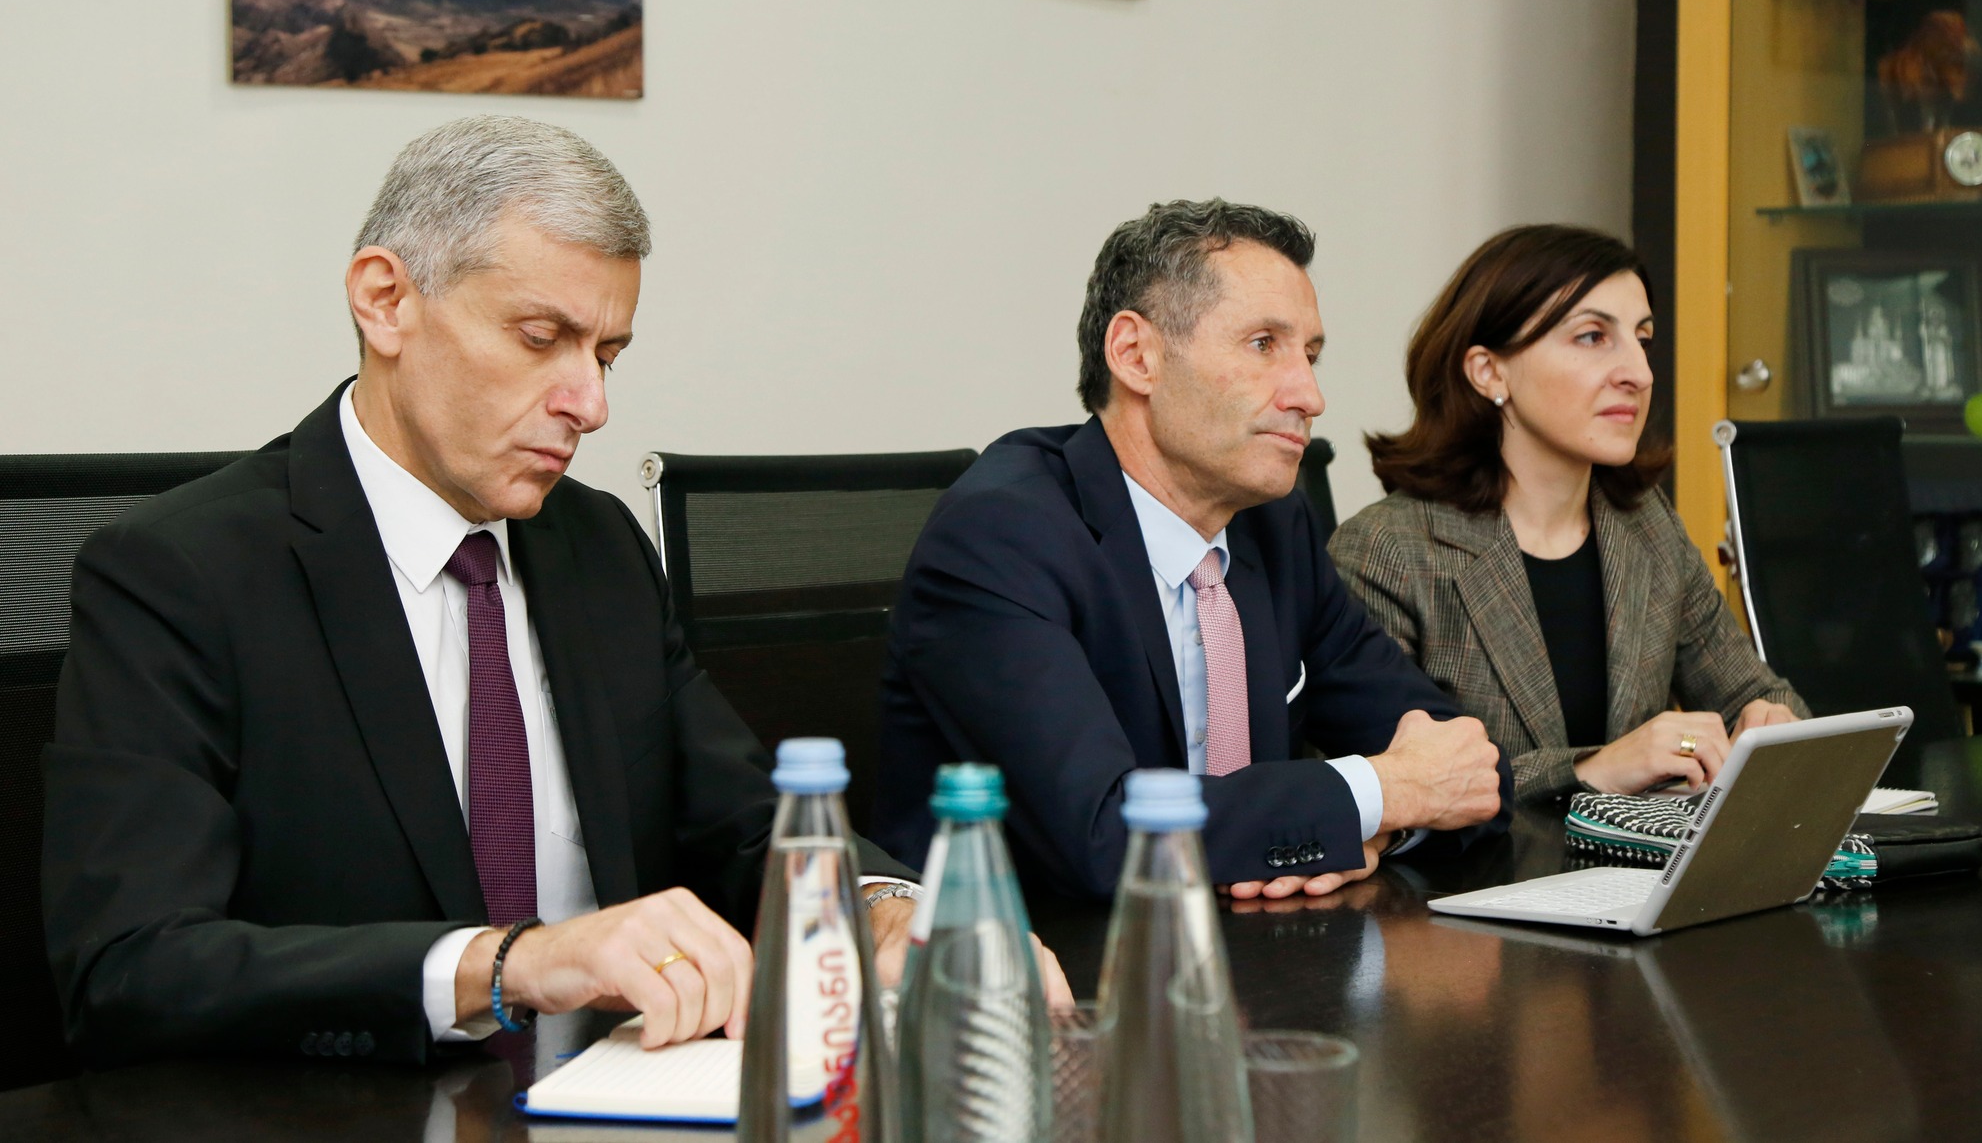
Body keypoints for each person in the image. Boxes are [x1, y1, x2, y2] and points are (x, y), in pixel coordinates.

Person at [40, 117, 1065, 1070]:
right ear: (385, 300)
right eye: (540, 339)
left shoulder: (596, 546)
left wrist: (888, 907)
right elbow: (131, 965)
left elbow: (748, 822)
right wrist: (512, 963)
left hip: (622, 1094)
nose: (592, 403)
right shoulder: (180, 573)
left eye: (606, 354)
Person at [875, 199, 1511, 903]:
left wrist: (1373, 825)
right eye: (1263, 344)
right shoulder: (1003, 533)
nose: (1310, 395)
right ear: (1136, 355)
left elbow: (1463, 763)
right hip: (1030, 952)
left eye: (1310, 355)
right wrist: (1375, 795)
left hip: (1255, 944)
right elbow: (1105, 839)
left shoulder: (1275, 525)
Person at [1327, 225, 1808, 805]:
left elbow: (1760, 698)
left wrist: (1771, 722)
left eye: (1642, 339)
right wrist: (1594, 768)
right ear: (1489, 371)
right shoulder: (1388, 550)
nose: (1640, 373)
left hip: (1637, 863)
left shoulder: (1646, 526)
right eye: (1592, 337)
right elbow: (1389, 785)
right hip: (1478, 868)